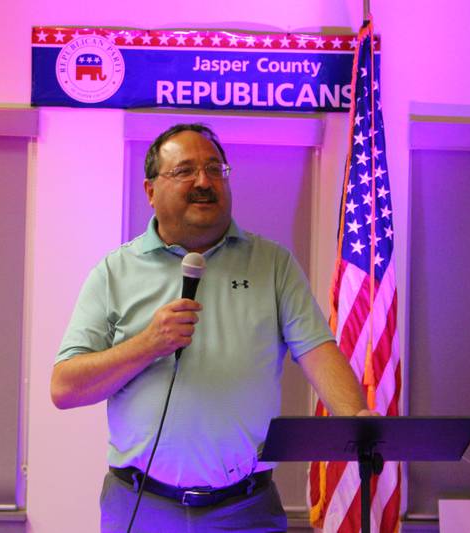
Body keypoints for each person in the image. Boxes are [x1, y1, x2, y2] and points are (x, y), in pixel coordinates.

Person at [51, 123, 373, 532]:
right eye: (184, 170)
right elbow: (65, 388)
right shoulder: (114, 272)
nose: (204, 181)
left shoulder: (272, 264)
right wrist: (148, 343)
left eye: (215, 169)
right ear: (150, 191)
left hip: (246, 508)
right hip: (141, 505)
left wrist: (359, 420)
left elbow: (317, 349)